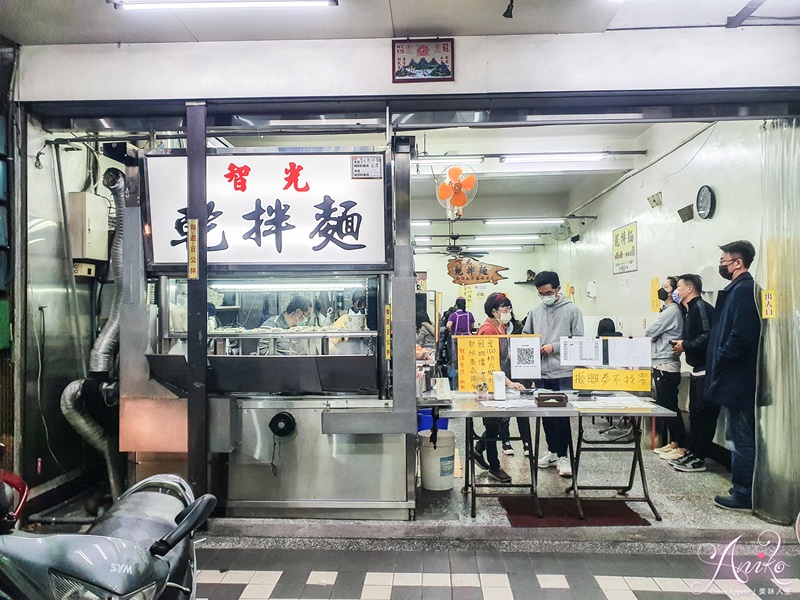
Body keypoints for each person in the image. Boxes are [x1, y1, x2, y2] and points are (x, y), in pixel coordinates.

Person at [705, 240, 761, 511]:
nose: (721, 266)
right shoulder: (738, 289)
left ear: (738, 263)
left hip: (739, 379)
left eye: (724, 261)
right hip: (735, 377)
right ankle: (743, 487)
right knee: (737, 435)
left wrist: (722, 356)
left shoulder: (743, 291)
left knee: (741, 437)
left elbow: (741, 334)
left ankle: (744, 493)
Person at [523, 271, 583, 478]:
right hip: (541, 372)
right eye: (540, 294)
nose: (545, 297)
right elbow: (526, 335)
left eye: (548, 292)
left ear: (558, 289)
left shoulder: (572, 311)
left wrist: (554, 347)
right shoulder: (534, 312)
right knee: (546, 415)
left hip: (563, 371)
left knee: (562, 416)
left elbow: (579, 341)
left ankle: (564, 456)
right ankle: (552, 451)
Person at [471, 292, 526, 483]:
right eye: (505, 308)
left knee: (501, 421)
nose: (508, 312)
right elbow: (488, 362)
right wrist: (509, 382)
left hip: (500, 381)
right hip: (489, 383)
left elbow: (502, 353)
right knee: (493, 425)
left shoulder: (500, 326)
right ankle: (494, 466)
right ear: (494, 311)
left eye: (509, 308)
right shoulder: (487, 330)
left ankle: (478, 449)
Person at [669, 273, 716, 473]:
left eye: (678, 286)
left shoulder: (700, 308)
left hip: (708, 370)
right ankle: (693, 452)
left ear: (690, 289)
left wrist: (685, 345)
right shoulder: (689, 310)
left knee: (704, 415)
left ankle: (700, 457)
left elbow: (707, 334)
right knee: (695, 414)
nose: (675, 291)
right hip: (697, 369)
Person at [646, 276, 687, 462]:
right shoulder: (668, 310)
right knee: (665, 405)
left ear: (673, 292)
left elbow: (650, 332)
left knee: (670, 407)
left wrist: (653, 336)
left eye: (665, 287)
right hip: (661, 361)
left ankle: (681, 445)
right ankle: (674, 442)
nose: (661, 290)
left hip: (666, 363)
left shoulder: (672, 311)